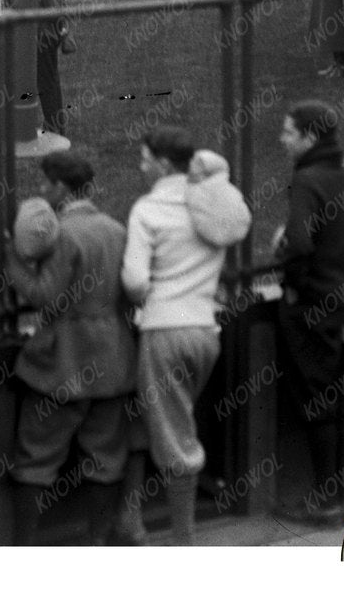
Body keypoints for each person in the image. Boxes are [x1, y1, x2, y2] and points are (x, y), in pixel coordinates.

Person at [121, 126, 250, 545]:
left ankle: (184, 539)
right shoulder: (211, 203)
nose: (141, 166)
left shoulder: (148, 208)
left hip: (164, 333)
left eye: (144, 159)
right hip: (205, 332)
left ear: (162, 163)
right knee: (162, 422)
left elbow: (136, 282)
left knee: (174, 436)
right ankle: (134, 520)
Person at [5, 152, 140, 546]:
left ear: (62, 189)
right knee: (106, 459)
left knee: (36, 460)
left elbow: (45, 297)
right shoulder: (116, 229)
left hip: (62, 364)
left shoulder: (63, 234)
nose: (42, 193)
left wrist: (13, 259)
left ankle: (24, 551)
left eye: (46, 186)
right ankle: (96, 544)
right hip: (114, 359)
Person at [272, 101, 344, 522]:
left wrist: (294, 288)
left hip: (315, 307)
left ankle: (326, 500)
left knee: (317, 400)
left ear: (310, 137)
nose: (282, 139)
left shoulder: (306, 180)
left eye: (289, 132)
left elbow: (299, 243)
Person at [36, 0, 68, 137]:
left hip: (44, 34)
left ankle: (53, 126)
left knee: (46, 83)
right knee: (52, 81)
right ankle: (56, 125)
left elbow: (51, 6)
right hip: (54, 32)